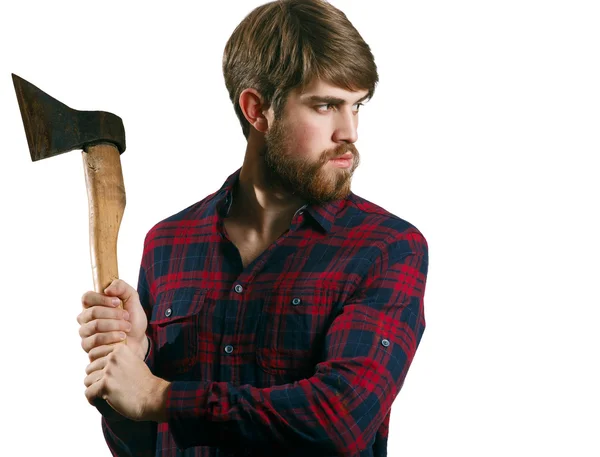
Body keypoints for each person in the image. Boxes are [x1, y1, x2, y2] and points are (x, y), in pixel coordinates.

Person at [77, 1, 429, 455]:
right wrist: (128, 366)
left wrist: (157, 395)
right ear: (257, 109)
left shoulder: (387, 247)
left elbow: (340, 420)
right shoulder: (168, 244)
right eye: (326, 105)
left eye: (356, 106)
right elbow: (144, 446)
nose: (350, 132)